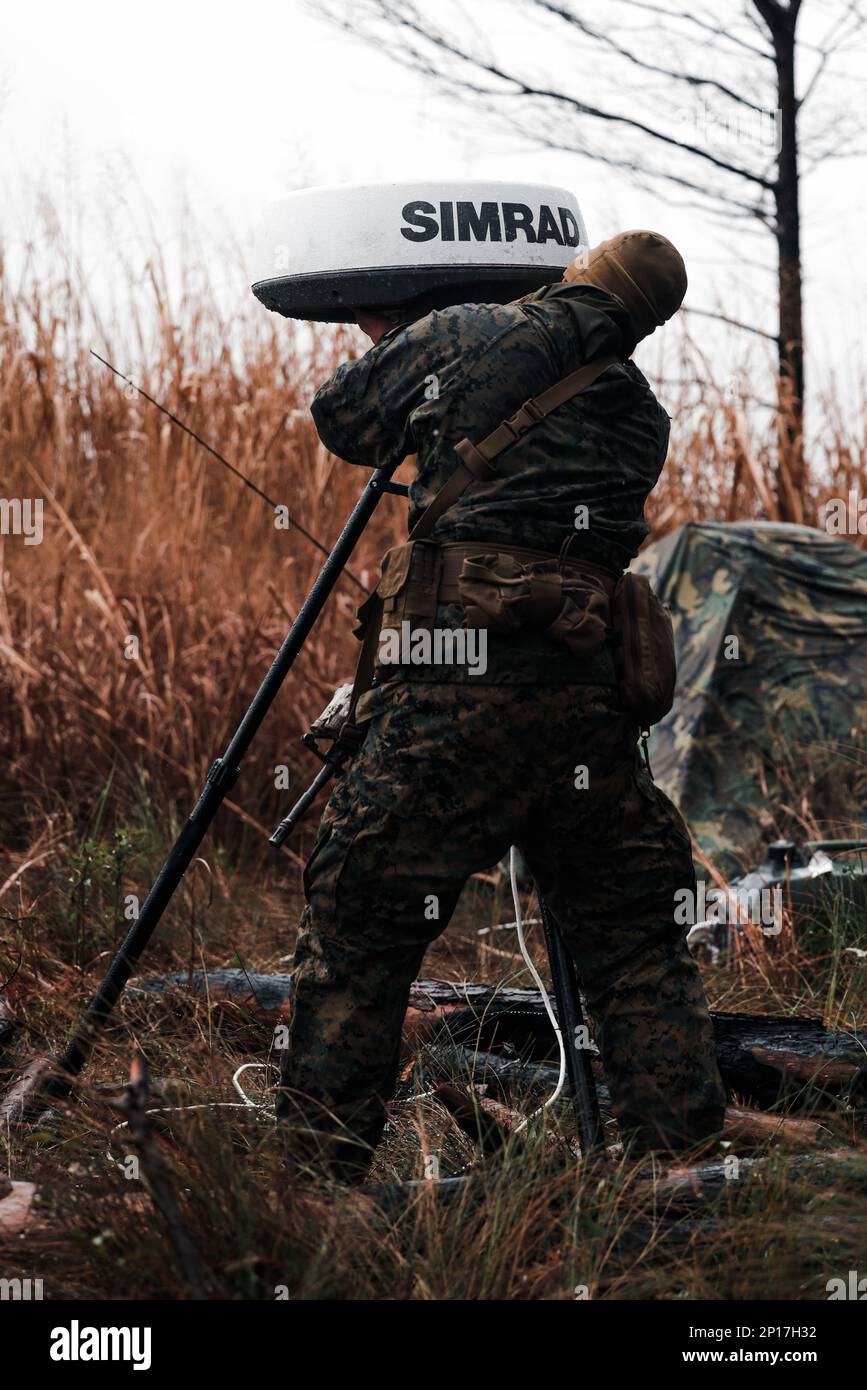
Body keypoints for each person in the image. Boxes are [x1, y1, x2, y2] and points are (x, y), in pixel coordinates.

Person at [276, 231, 727, 1180]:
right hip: (588, 705)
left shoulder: (470, 332)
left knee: (361, 916)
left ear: (578, 275)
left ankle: (315, 1184)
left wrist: (406, 352)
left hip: (451, 689)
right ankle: (679, 1175)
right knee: (634, 936)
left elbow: (343, 419)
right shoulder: (641, 417)